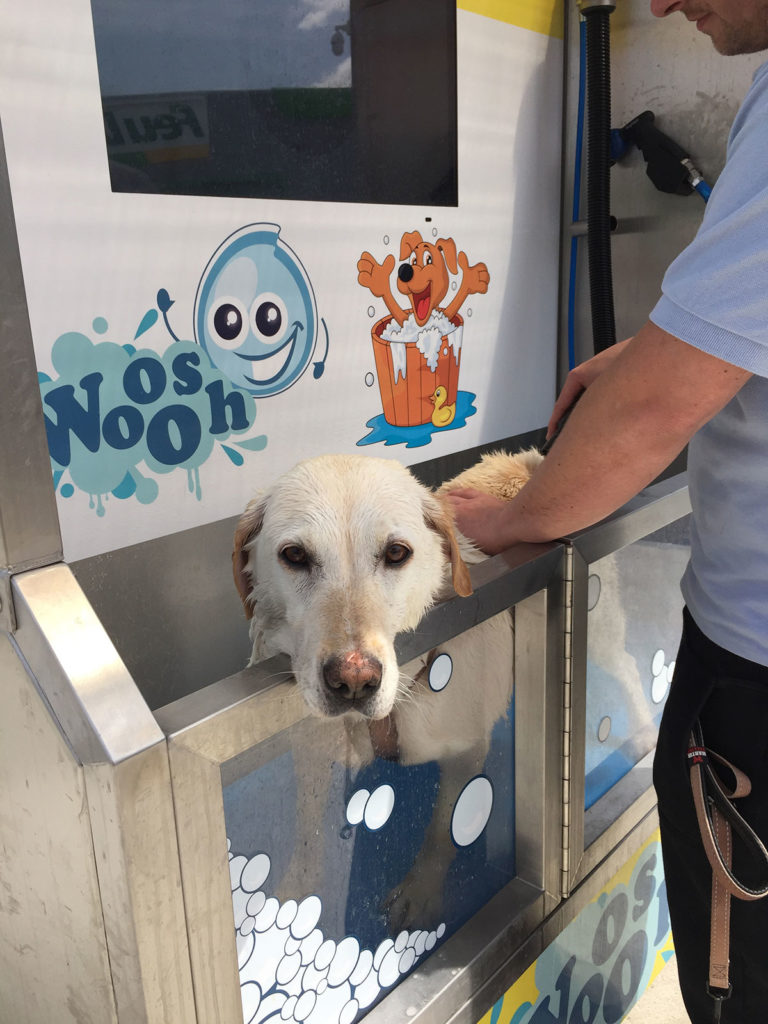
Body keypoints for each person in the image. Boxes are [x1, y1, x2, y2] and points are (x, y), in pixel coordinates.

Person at [448, 3, 768, 1022]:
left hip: (756, 674)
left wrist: (505, 520)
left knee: (741, 975)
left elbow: (664, 407)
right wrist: (649, 352)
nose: (666, 3)